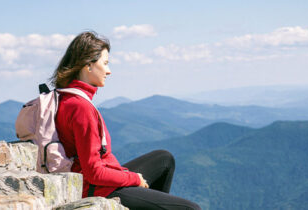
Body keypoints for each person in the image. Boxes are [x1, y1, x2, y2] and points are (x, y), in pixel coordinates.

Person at [51, 31, 201, 210]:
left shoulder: (64, 97)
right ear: (88, 66)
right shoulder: (80, 107)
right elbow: (93, 172)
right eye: (105, 63)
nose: (109, 71)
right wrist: (134, 178)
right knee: (191, 209)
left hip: (91, 181)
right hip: (96, 189)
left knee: (164, 159)